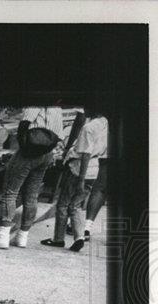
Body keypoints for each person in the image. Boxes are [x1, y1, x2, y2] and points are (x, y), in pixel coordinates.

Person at [0, 105, 65, 250]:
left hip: (29, 152)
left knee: (10, 192)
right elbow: (59, 135)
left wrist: (24, 148)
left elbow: (24, 125)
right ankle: (22, 236)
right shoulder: (57, 109)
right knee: (32, 195)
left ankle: (2, 236)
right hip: (46, 154)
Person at [42, 108, 108, 252]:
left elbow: (85, 154)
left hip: (79, 169)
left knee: (63, 204)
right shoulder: (106, 124)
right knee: (76, 205)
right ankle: (79, 237)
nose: (82, 112)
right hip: (95, 168)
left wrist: (81, 179)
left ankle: (58, 239)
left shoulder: (88, 128)